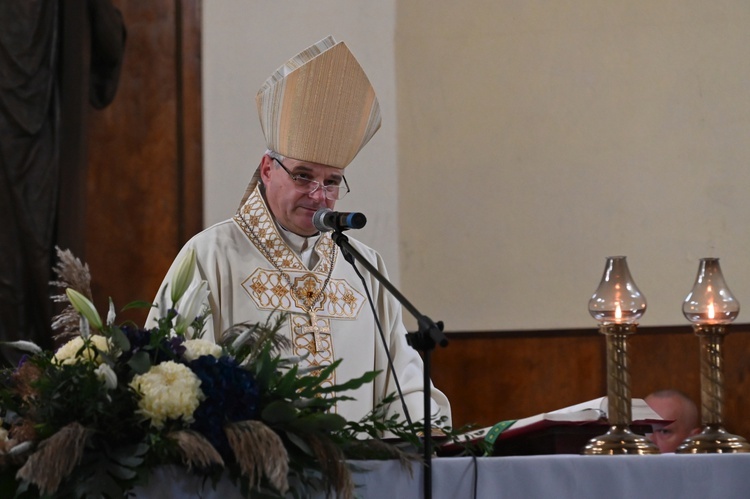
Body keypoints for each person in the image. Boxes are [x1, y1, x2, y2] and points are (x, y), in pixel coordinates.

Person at [147, 35, 451, 427]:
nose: (318, 195)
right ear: (269, 168)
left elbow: (401, 380)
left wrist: (428, 427)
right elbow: (169, 376)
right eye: (304, 175)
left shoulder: (362, 266)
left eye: (332, 181)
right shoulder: (211, 255)